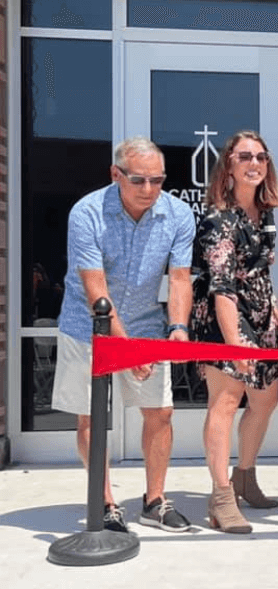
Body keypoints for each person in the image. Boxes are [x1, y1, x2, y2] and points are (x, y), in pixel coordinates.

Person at [52, 136, 195, 533]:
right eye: (138, 181)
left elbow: (180, 279)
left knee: (161, 412)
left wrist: (179, 328)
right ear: (116, 174)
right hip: (88, 328)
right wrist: (126, 348)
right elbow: (96, 291)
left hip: (148, 323)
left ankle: (154, 501)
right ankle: (106, 503)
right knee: (92, 417)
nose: (149, 190)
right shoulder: (87, 213)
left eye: (157, 180)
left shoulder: (179, 214)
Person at [191, 131, 278, 534]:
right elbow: (222, 286)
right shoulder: (218, 219)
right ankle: (221, 496)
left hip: (261, 312)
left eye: (261, 157)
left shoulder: (263, 213)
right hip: (223, 316)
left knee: (267, 399)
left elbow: (258, 267)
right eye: (245, 156)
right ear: (228, 165)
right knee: (226, 401)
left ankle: (244, 475)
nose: (255, 163)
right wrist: (234, 343)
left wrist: (274, 306)